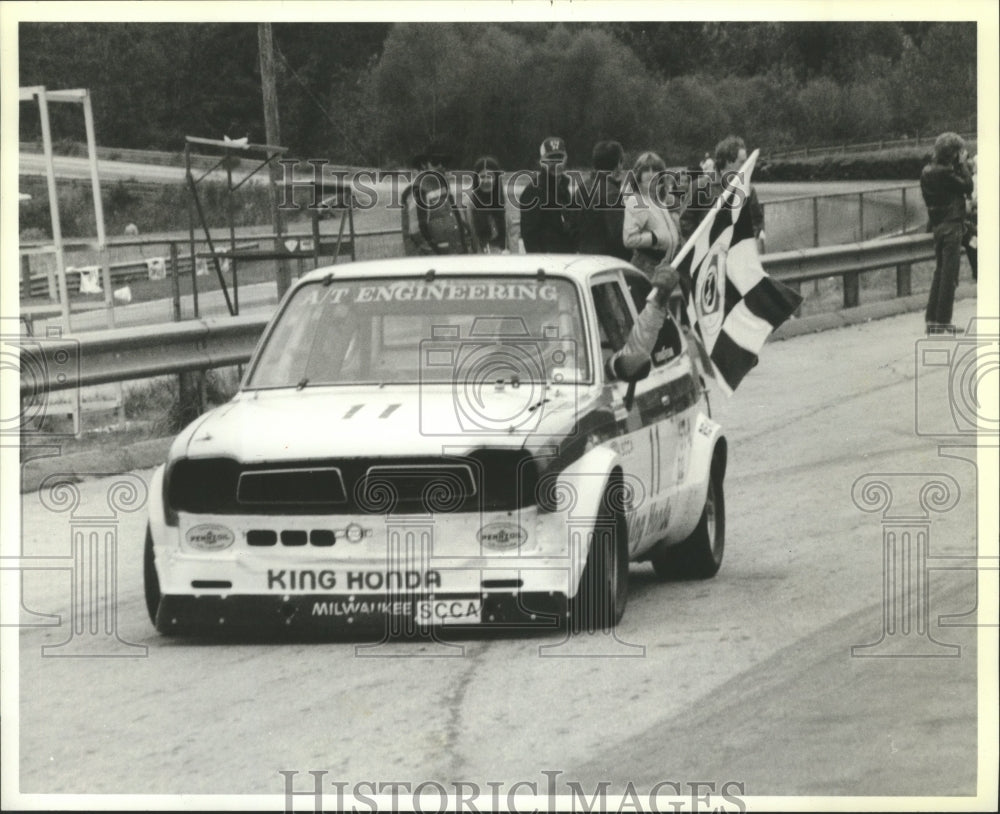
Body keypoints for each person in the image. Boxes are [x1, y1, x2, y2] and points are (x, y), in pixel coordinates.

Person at [921, 132, 974, 333]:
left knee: (939, 272)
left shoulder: (926, 171)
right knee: (949, 276)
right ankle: (943, 321)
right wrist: (962, 165)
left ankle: (931, 320)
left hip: (937, 226)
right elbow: (968, 186)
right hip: (952, 226)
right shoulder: (946, 173)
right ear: (952, 153)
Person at [681, 135, 765, 253]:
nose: (747, 166)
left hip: (738, 257)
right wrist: (699, 247)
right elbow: (685, 220)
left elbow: (757, 220)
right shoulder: (701, 185)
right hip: (706, 259)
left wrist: (746, 241)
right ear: (728, 161)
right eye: (742, 162)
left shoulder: (749, 190)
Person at [401, 141, 474, 256]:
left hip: (455, 256)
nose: (440, 166)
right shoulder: (416, 189)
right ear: (424, 164)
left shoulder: (444, 185)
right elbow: (416, 233)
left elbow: (456, 219)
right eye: (435, 161)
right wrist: (435, 258)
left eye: (444, 162)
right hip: (432, 262)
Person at [622, 151, 682, 278]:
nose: (650, 174)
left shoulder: (659, 200)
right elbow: (629, 240)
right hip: (647, 267)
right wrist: (654, 237)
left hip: (665, 266)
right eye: (645, 170)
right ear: (638, 175)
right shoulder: (637, 201)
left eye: (655, 169)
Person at [518, 136, 578, 253]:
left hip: (567, 261)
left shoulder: (564, 188)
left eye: (560, 157)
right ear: (542, 161)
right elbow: (530, 239)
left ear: (566, 158)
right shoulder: (533, 191)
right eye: (551, 158)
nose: (556, 163)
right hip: (548, 264)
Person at [575, 140, 630, 260]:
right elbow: (617, 235)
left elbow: (572, 226)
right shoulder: (611, 193)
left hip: (583, 256)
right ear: (618, 164)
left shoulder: (581, 188)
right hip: (607, 259)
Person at [468, 155, 510, 253]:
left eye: (490, 176)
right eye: (482, 177)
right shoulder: (469, 205)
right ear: (476, 180)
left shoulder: (505, 203)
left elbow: (512, 236)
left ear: (496, 179)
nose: (486, 181)